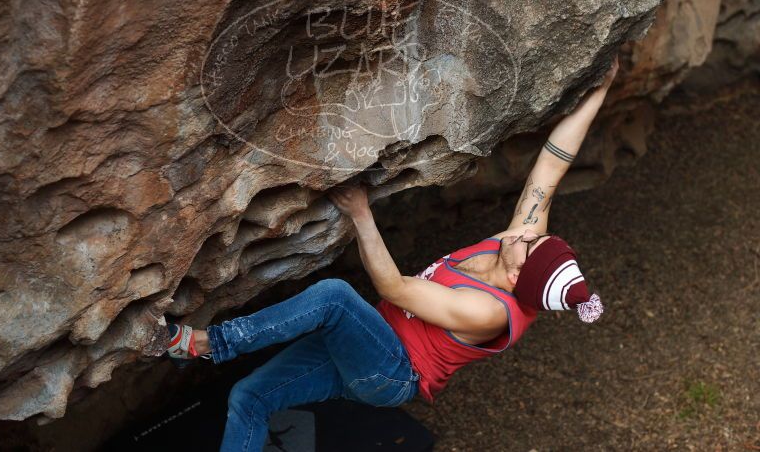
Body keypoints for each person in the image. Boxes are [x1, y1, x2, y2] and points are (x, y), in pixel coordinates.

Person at [164, 56, 619, 451]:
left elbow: (393, 287)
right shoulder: (522, 250)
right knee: (251, 397)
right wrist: (601, 90)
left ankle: (207, 344)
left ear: (521, 281)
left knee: (334, 298)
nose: (520, 234)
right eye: (534, 236)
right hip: (369, 340)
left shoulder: (488, 312)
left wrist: (362, 215)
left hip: (389, 371)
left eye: (527, 245)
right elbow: (552, 163)